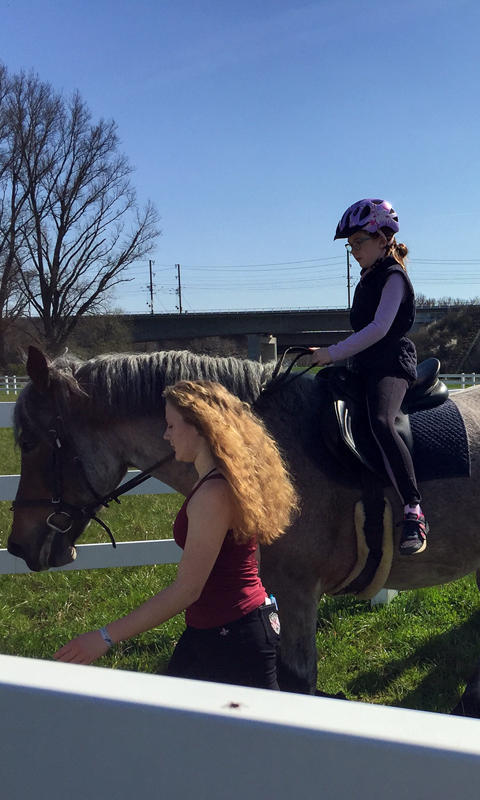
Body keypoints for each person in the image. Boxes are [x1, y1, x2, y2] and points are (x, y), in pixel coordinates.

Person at [54, 380, 297, 689]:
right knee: (172, 726)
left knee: (257, 736)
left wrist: (104, 637)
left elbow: (186, 590)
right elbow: (253, 556)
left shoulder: (214, 493)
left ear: (198, 426)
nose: (166, 435)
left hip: (235, 636)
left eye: (171, 425)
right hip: (215, 629)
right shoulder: (219, 481)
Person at [308, 199, 428, 555]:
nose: (354, 250)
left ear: (383, 237)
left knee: (380, 421)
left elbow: (378, 329)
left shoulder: (393, 276)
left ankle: (413, 509)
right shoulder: (369, 276)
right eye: (351, 246)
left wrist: (332, 353)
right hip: (364, 365)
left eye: (359, 242)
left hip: (390, 364)